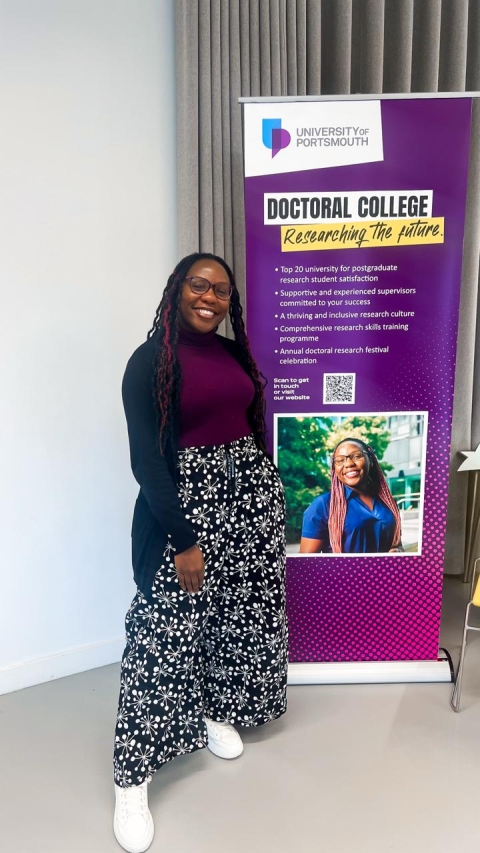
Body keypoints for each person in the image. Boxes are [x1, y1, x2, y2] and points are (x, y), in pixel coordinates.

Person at [113, 252, 287, 853]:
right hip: (185, 511)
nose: (210, 297)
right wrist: (184, 539)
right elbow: (146, 461)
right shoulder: (148, 362)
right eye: (199, 284)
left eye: (221, 290)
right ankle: (131, 777)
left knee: (234, 617)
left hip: (246, 504)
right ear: (177, 288)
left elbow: (246, 422)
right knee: (163, 634)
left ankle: (213, 711)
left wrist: (262, 489)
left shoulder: (233, 354)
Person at [300, 437, 402, 555]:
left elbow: (397, 544)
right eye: (340, 460)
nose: (348, 464)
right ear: (334, 468)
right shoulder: (322, 505)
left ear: (371, 460)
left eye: (356, 456)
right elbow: (306, 562)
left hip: (385, 568)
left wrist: (398, 551)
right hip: (345, 568)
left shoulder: (388, 502)